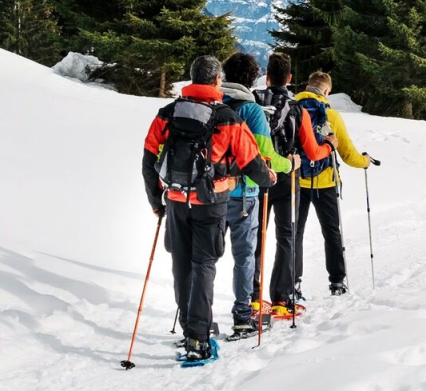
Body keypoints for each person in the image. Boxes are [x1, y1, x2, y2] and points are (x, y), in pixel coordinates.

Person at [142, 55, 274, 363]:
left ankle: (191, 327)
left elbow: (149, 159)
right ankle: (197, 340)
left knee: (182, 264)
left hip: (175, 200)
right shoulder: (227, 116)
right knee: (204, 266)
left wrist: (155, 201)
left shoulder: (168, 112)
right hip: (211, 202)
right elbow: (251, 161)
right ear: (216, 80)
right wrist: (269, 177)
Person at [255, 52, 335, 317]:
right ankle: (282, 297)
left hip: (258, 175)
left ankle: (252, 297)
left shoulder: (254, 102)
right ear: (290, 79)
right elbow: (312, 152)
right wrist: (328, 147)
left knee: (257, 235)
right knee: (286, 236)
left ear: (266, 77)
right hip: (289, 178)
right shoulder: (297, 109)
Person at [219, 52, 285, 339]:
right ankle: (242, 317)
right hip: (244, 193)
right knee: (244, 256)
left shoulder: (211, 104)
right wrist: (288, 164)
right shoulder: (251, 111)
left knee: (206, 257)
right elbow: (264, 156)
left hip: (211, 193)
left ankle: (197, 317)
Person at [294, 71, 376, 298]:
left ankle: (294, 283)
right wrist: (365, 161)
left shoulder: (292, 109)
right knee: (331, 232)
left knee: (295, 233)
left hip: (297, 181)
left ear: (307, 86)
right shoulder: (331, 116)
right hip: (325, 182)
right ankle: (337, 282)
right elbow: (348, 154)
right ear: (327, 91)